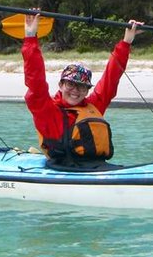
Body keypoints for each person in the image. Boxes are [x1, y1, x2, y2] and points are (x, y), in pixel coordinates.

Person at [22, 12, 143, 166]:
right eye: (71, 84)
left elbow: (111, 78)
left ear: (87, 90)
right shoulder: (46, 110)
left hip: (96, 167)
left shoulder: (93, 106)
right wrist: (30, 36)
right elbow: (35, 80)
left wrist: (126, 42)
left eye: (82, 87)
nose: (75, 91)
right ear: (61, 85)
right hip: (63, 169)